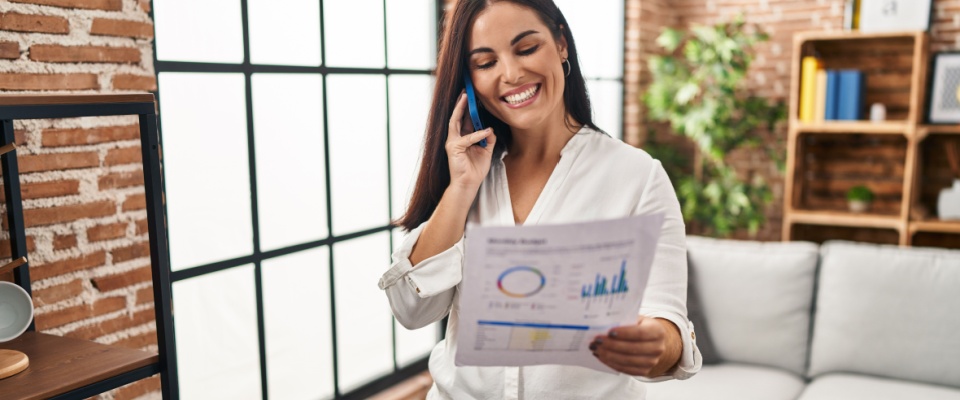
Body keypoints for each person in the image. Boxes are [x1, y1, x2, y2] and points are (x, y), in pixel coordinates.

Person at [377, 0, 702, 398]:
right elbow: (412, 309)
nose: (511, 74)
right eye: (485, 63)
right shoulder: (471, 177)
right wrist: (461, 187)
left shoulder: (637, 175)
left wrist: (656, 341)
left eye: (526, 48)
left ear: (561, 43)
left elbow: (667, 324)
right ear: (468, 80)